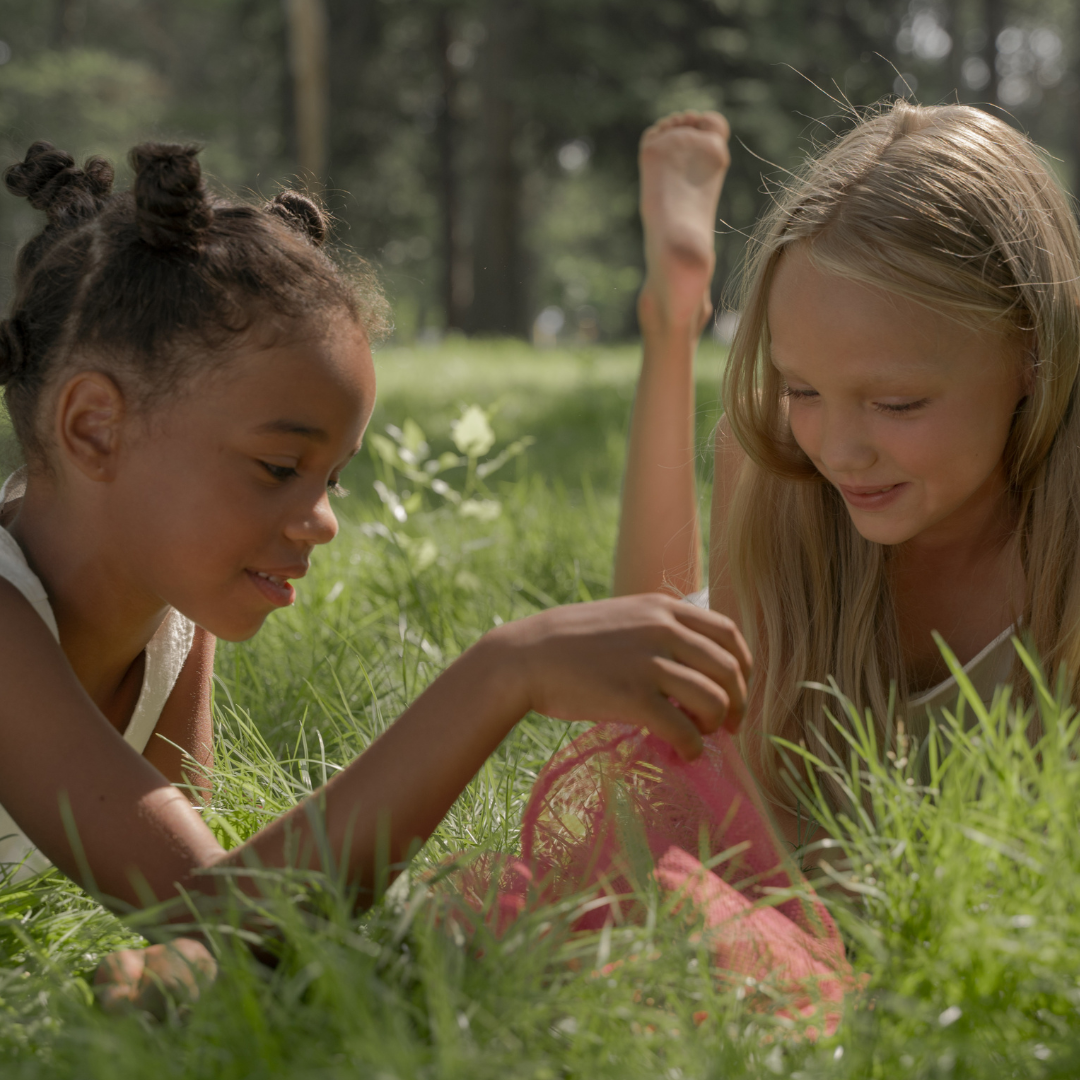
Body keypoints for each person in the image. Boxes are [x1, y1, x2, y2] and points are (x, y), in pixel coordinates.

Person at [0, 141, 753, 1007]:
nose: (323, 519)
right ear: (95, 428)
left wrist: (183, 967)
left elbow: (216, 911)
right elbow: (220, 908)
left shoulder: (172, 617)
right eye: (281, 468)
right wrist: (504, 671)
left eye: (334, 478)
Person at [612, 99, 1080, 858]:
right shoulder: (779, 459)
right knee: (651, 673)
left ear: (1033, 351)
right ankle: (672, 314)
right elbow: (754, 787)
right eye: (802, 390)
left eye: (897, 403)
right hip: (733, 667)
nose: (840, 450)